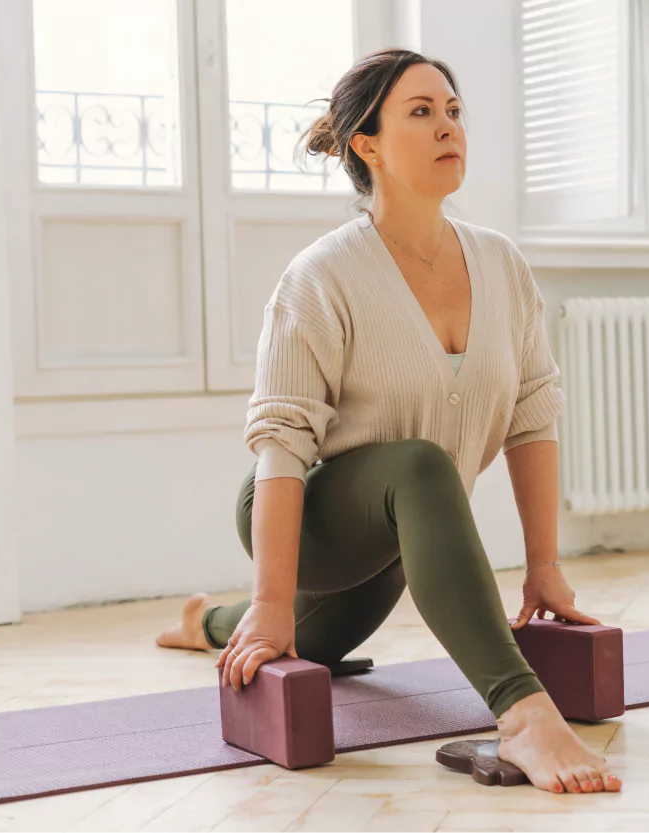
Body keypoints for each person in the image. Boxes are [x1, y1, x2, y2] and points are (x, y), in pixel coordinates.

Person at [156, 48, 621, 795]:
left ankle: (204, 622)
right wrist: (273, 600)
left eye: (454, 111)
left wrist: (544, 566)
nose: (448, 126)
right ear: (366, 144)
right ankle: (523, 713)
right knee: (420, 466)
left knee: (317, 642)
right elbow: (282, 444)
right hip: (310, 512)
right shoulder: (321, 275)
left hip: (402, 522)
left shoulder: (502, 265)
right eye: (421, 111)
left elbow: (533, 414)